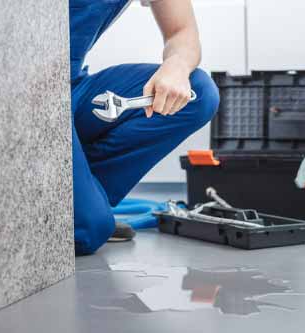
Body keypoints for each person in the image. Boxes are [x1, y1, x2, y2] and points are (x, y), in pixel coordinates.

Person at [69, 0, 220, 255]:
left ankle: (86, 202)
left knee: (199, 92)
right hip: (18, 89)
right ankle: (85, 211)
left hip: (72, 88)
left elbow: (182, 32)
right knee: (88, 230)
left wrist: (177, 65)